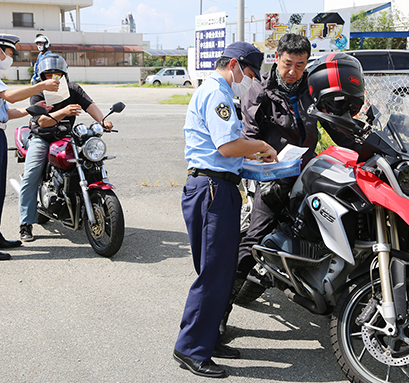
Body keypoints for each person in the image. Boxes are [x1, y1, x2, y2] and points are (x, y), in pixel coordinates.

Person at [220, 35, 365, 333]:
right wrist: (265, 160)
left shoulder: (313, 87)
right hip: (271, 171)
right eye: (288, 64)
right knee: (254, 237)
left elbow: (334, 126)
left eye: (300, 65)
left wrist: (365, 149)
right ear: (277, 57)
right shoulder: (259, 89)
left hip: (308, 170)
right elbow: (248, 135)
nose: (293, 71)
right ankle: (219, 314)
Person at [173, 41, 278, 379]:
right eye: (248, 73)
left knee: (220, 271)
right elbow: (227, 145)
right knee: (214, 273)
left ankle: (206, 339)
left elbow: (226, 149)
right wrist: (261, 145)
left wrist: (251, 155)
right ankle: (190, 349)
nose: (248, 80)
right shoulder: (217, 93)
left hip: (216, 188)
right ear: (234, 64)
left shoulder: (216, 91)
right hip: (213, 191)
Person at [0, 33, 59, 261]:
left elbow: (6, 112)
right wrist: (42, 85)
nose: (11, 58)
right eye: (10, 53)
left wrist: (35, 109)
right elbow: (10, 96)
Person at [18, 54, 113, 242]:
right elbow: (42, 121)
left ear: (64, 74)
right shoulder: (39, 92)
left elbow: (90, 105)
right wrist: (64, 112)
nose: (54, 77)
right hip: (42, 137)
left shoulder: (73, 89)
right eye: (49, 74)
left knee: (89, 161)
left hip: (67, 137)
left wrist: (102, 120)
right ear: (43, 76)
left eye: (57, 73)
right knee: (31, 175)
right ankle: (25, 224)